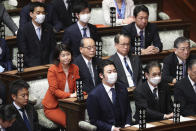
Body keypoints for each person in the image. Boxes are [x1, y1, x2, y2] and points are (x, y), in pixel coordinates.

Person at [87, 60, 132, 131]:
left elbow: (128, 111)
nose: (113, 74)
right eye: (109, 72)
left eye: (114, 71)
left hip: (124, 128)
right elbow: (94, 120)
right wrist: (112, 128)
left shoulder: (122, 88)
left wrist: (128, 125)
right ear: (101, 75)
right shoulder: (94, 95)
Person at [42, 44, 80, 127]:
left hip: (69, 104)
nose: (66, 57)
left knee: (80, 121)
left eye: (68, 54)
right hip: (53, 107)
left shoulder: (75, 68)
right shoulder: (52, 69)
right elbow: (54, 91)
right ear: (58, 57)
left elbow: (77, 86)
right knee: (70, 123)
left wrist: (78, 93)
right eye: (63, 55)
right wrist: (70, 95)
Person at [17, 2, 56, 67]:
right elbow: (23, 52)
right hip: (31, 67)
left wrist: (51, 63)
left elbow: (53, 48)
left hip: (48, 65)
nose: (41, 15)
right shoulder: (23, 30)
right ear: (31, 14)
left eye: (43, 13)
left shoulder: (48, 28)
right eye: (38, 13)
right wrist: (36, 68)